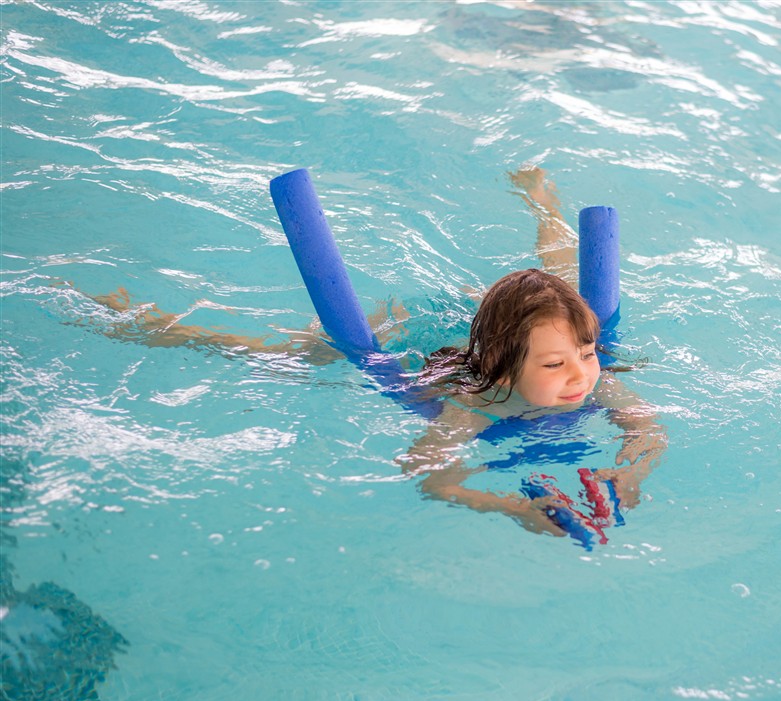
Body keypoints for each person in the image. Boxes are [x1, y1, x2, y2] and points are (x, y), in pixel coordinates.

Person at [78, 167, 667, 538]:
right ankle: (147, 323)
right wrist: (511, 509)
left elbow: (648, 430)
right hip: (410, 360)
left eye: (584, 356)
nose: (581, 376)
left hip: (493, 338)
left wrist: (633, 469)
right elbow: (429, 478)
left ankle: (543, 200)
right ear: (505, 369)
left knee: (561, 286)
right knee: (294, 356)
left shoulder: (596, 381)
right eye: (555, 363)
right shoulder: (469, 410)